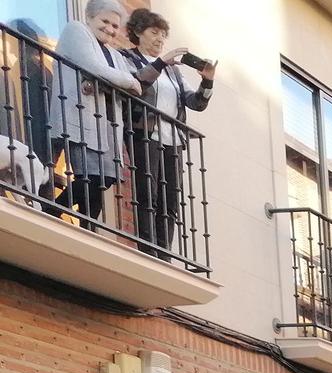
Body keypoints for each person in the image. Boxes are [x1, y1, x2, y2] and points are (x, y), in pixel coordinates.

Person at [121, 7, 213, 258]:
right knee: (147, 193)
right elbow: (135, 84)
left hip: (173, 139)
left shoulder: (173, 71)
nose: (160, 39)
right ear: (138, 32)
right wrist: (161, 62)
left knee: (170, 199)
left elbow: (195, 103)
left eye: (163, 35)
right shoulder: (128, 58)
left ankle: (164, 254)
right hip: (145, 135)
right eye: (154, 32)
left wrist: (207, 81)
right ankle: (148, 250)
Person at [52, 1, 143, 227]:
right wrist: (127, 81)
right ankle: (56, 212)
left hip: (109, 127)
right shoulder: (76, 30)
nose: (110, 29)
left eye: (115, 25)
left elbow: (134, 88)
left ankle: (74, 221)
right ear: (90, 17)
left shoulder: (115, 54)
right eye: (105, 21)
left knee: (105, 180)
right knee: (90, 178)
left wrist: (108, 83)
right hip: (81, 119)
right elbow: (94, 68)